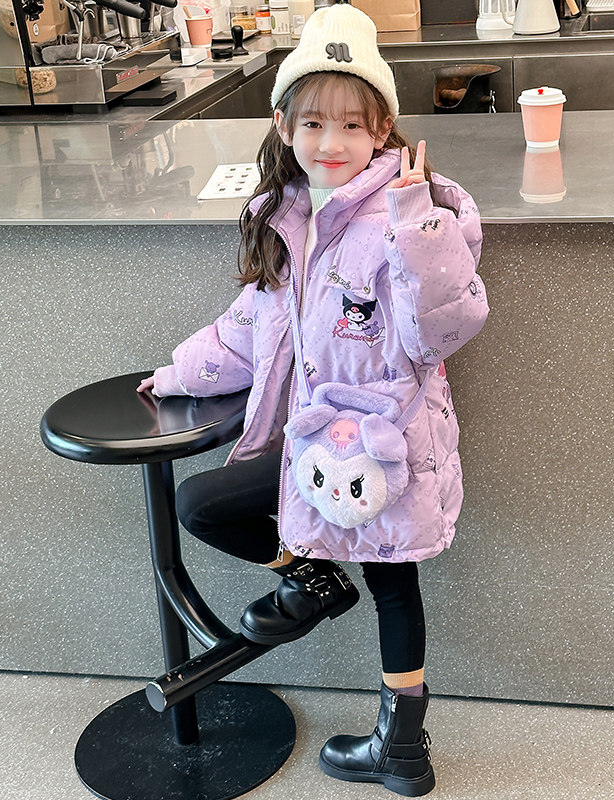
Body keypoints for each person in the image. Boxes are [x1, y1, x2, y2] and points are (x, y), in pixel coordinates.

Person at [137, 2, 488, 795]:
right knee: (202, 505)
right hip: (313, 447)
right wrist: (178, 373)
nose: (332, 142)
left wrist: (417, 223)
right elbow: (248, 329)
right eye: (314, 123)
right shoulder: (287, 217)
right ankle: (313, 578)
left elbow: (444, 329)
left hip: (389, 446)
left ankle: (401, 748)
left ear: (383, 129)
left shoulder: (414, 210)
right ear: (283, 125)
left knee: (395, 583)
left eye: (353, 125)